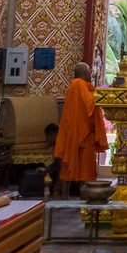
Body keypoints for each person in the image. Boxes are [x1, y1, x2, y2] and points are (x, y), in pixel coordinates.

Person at [53, 62, 108, 198]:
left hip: (82, 132)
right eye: (89, 71)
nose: (91, 74)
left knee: (84, 167)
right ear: (83, 73)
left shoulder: (83, 86)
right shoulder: (78, 84)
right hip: (79, 133)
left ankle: (83, 195)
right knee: (75, 165)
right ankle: (68, 195)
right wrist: (103, 95)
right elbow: (89, 104)